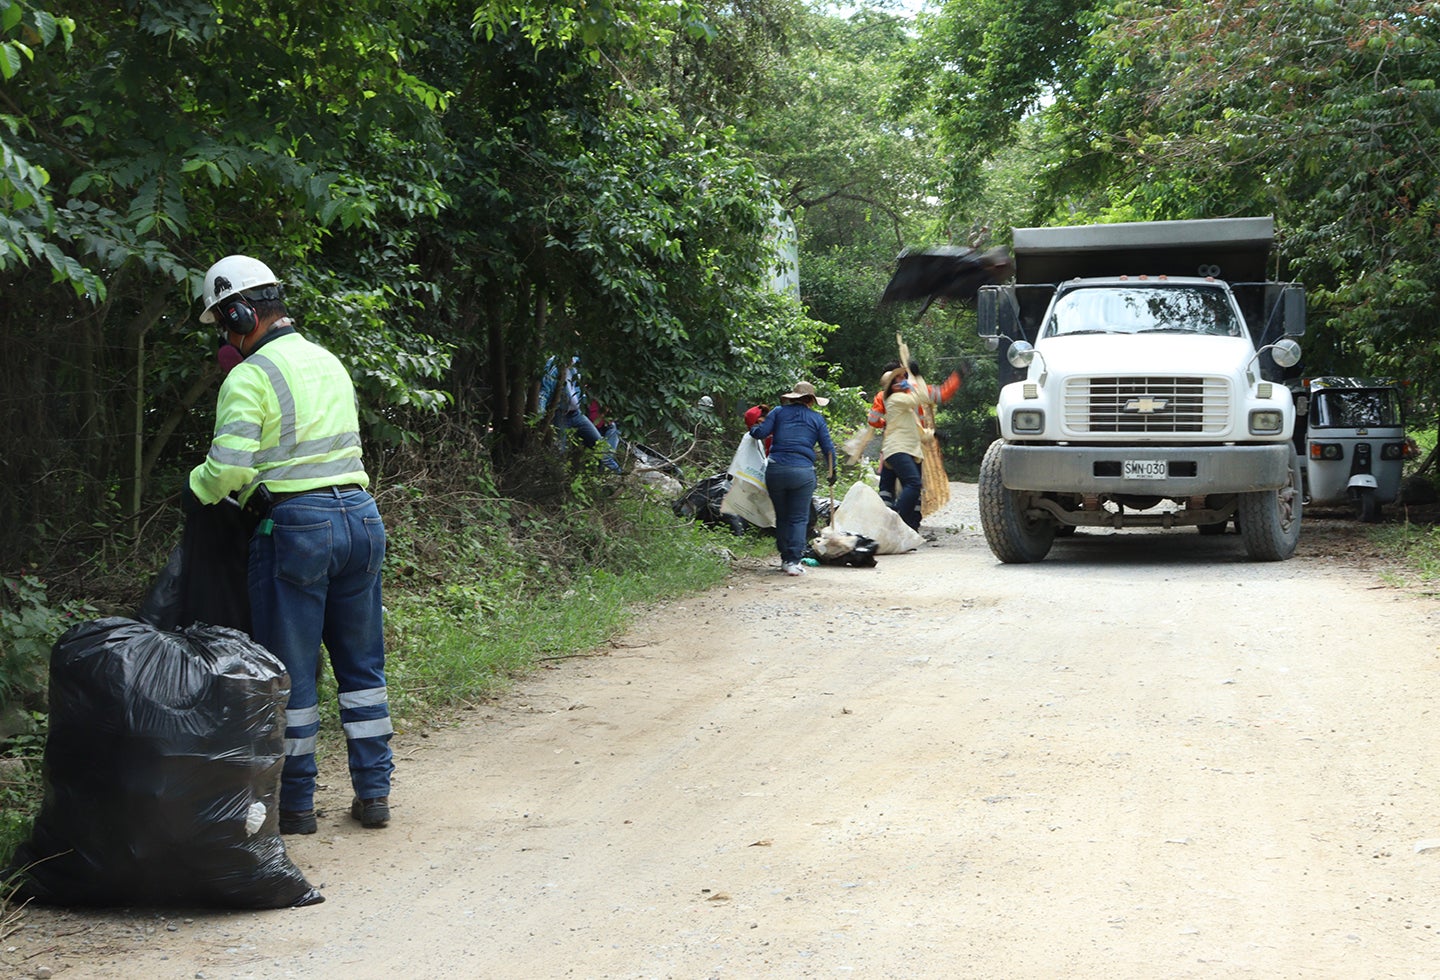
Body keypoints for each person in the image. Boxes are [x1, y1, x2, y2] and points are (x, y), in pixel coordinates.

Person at [187, 254, 394, 835]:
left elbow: (228, 469)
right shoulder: (329, 362)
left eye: (227, 326)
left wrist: (195, 489)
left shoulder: (250, 377)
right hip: (362, 519)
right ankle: (374, 795)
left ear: (241, 310)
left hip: (297, 529)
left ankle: (297, 807)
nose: (227, 341)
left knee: (294, 676)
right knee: (363, 669)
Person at [748, 381, 836, 576]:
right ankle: (793, 561)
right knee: (798, 517)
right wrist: (832, 472)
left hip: (776, 470)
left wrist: (753, 428)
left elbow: (760, 433)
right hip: (803, 473)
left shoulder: (778, 412)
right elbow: (828, 449)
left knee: (782, 516)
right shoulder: (817, 419)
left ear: (793, 397)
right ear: (811, 401)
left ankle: (784, 557)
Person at [873, 362, 962, 531]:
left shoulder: (884, 397)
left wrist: (933, 434)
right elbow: (940, 394)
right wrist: (957, 377)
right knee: (911, 485)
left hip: (904, 444)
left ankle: (899, 525)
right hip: (903, 446)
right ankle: (899, 521)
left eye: (903, 376)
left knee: (888, 488)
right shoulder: (905, 395)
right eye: (897, 378)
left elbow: (873, 420)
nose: (901, 380)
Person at [539, 355, 621, 473]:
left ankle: (619, 474)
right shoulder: (554, 366)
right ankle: (555, 480)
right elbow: (544, 393)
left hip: (576, 413)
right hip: (559, 414)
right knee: (559, 451)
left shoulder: (577, 363)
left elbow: (579, 389)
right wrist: (540, 417)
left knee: (601, 446)